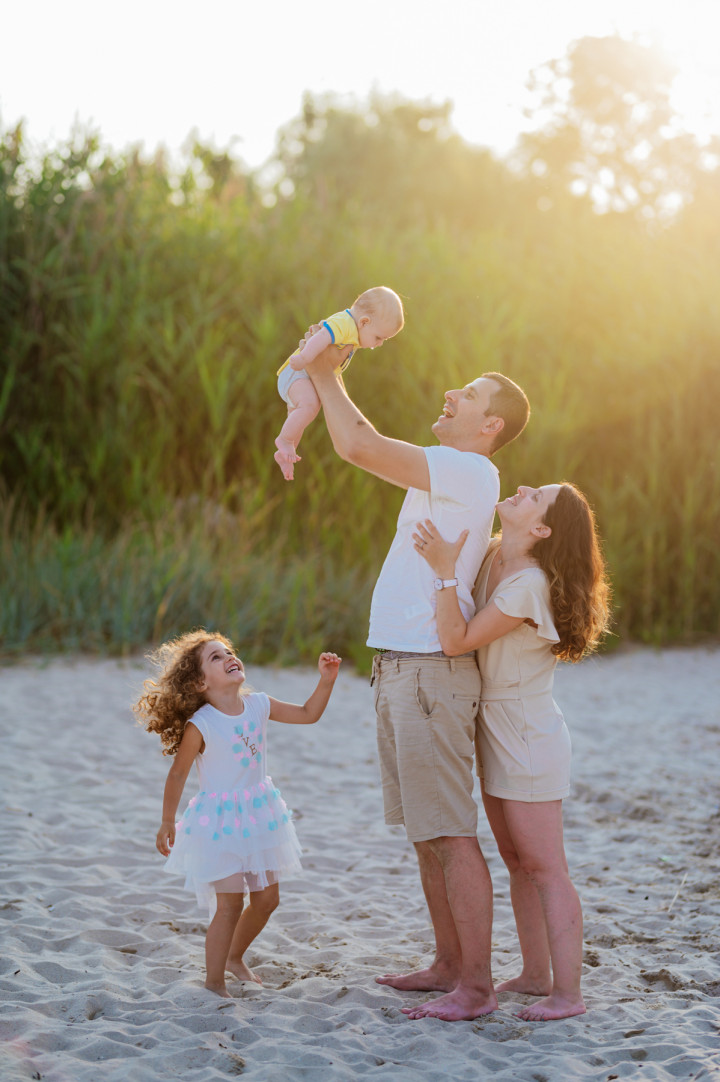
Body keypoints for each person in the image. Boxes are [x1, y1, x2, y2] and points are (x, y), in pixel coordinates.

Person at [303, 344, 530, 1021]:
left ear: (488, 425)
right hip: (402, 667)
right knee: (426, 833)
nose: (451, 395)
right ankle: (448, 965)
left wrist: (323, 370)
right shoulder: (449, 472)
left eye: (467, 393)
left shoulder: (468, 468)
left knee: (450, 833)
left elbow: (358, 445)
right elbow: (363, 444)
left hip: (430, 671)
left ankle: (477, 987)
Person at [412, 481, 610, 1021]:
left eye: (535, 496)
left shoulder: (528, 585)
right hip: (495, 725)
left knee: (546, 867)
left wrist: (443, 569)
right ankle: (535, 973)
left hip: (526, 731)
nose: (521, 488)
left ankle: (568, 995)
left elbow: (457, 640)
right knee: (517, 862)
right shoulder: (497, 552)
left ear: (542, 529)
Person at [133, 630, 341, 998]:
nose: (229, 657)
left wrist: (325, 681)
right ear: (200, 682)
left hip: (260, 814)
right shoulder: (203, 723)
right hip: (219, 823)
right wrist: (168, 820)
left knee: (267, 899)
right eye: (215, 657)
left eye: (228, 651)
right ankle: (214, 983)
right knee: (229, 904)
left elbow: (309, 714)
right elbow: (178, 773)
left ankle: (233, 957)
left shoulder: (259, 704)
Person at [274, 286, 404, 480]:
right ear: (364, 322)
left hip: (302, 378)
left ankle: (286, 453)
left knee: (299, 416)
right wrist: (305, 358)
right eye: (379, 337)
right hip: (297, 372)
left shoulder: (354, 332)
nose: (380, 344)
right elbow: (321, 336)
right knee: (310, 406)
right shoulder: (345, 323)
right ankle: (284, 439)